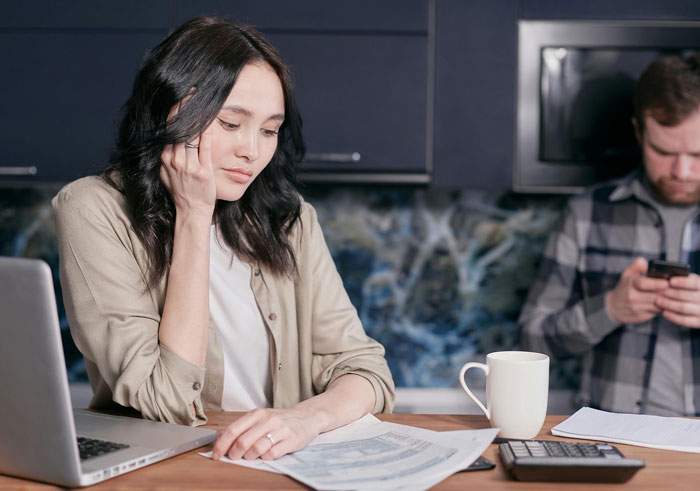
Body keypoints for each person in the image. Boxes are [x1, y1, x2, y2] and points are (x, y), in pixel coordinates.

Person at [52, 16, 394, 461]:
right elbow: (167, 401)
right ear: (170, 112)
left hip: (277, 465)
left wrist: (304, 420)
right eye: (231, 124)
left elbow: (367, 373)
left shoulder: (290, 220)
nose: (252, 150)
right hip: (167, 469)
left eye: (269, 130)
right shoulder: (93, 209)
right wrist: (194, 215)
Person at [519, 53, 700, 417]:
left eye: (698, 154)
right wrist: (610, 309)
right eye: (663, 151)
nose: (682, 171)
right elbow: (531, 340)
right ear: (638, 133)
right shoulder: (585, 213)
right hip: (608, 437)